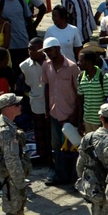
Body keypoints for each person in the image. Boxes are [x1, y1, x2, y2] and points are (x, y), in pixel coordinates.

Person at [40, 37, 80, 187]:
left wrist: (75, 115)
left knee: (73, 147)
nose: (48, 54)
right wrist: (46, 109)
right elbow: (47, 87)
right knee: (57, 146)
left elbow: (78, 92)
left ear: (57, 48)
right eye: (46, 51)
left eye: (50, 50)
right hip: (54, 113)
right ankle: (61, 175)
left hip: (69, 115)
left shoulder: (71, 67)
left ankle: (74, 177)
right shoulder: (46, 65)